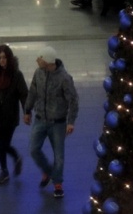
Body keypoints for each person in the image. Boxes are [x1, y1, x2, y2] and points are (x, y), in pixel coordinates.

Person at [23, 46, 79, 199]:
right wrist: (27, 110)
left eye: (39, 58)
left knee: (59, 156)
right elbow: (33, 92)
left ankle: (57, 183)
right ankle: (48, 172)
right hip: (40, 119)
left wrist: (70, 122)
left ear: (47, 61)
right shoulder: (38, 73)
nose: (36, 60)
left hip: (58, 123)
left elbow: (73, 100)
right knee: (34, 149)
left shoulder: (64, 79)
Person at [0, 44, 29, 185]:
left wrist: (26, 111)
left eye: (4, 57)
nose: (2, 60)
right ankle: (4, 170)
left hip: (10, 117)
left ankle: (15, 158)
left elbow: (24, 95)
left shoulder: (16, 75)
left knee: (4, 144)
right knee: (0, 145)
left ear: (9, 58)